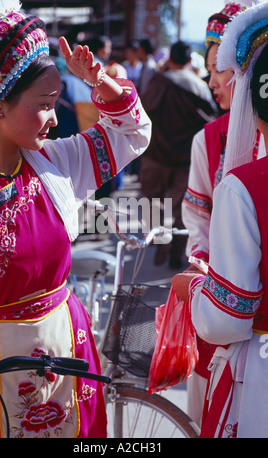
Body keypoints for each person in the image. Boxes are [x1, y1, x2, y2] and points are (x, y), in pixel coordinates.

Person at [0, 0, 151, 438]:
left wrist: (99, 80)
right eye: (45, 104)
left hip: (68, 352)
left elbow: (133, 133)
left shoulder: (56, 162)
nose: (54, 119)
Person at [172, 1, 268, 438]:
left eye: (221, 69)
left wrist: (198, 288)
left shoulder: (247, 183)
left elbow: (228, 316)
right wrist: (204, 259)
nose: (213, 82)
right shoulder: (208, 139)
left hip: (239, 319)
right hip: (222, 286)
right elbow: (198, 215)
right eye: (209, 69)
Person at [139, 40, 216, 269]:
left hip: (155, 156)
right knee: (182, 208)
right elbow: (209, 119)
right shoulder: (199, 86)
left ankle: (157, 241)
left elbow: (142, 112)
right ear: (190, 61)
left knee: (153, 201)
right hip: (185, 159)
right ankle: (176, 252)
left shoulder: (159, 82)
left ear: (170, 59)